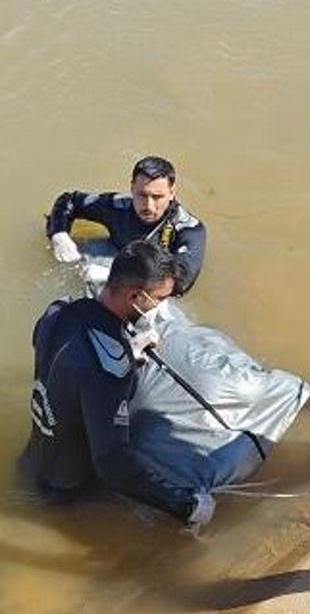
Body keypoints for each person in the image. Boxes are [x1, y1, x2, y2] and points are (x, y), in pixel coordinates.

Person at [23, 240, 214, 525]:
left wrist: (129, 346)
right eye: (159, 300)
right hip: (66, 490)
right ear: (136, 296)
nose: (160, 308)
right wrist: (187, 506)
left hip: (32, 460)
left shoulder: (59, 311)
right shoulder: (110, 366)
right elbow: (112, 464)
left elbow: (67, 367)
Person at [46, 156, 206, 295]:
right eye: (142, 195)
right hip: (112, 260)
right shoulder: (118, 207)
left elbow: (183, 280)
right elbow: (69, 201)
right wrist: (59, 234)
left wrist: (115, 277)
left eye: (157, 197)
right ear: (132, 188)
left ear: (172, 193)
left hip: (153, 294)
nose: (149, 206)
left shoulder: (189, 228)